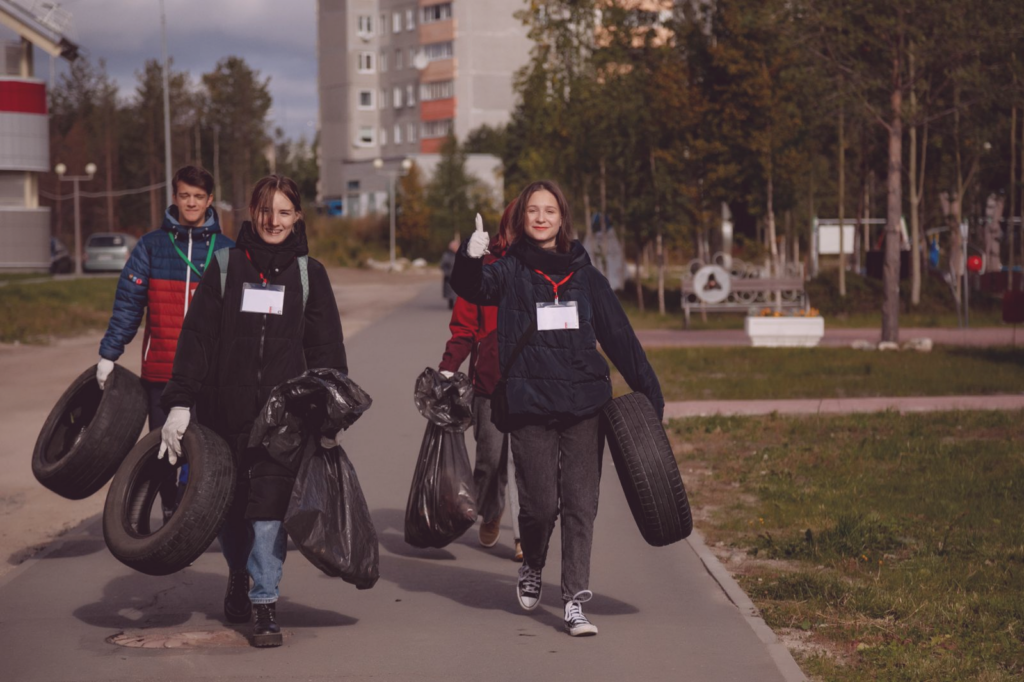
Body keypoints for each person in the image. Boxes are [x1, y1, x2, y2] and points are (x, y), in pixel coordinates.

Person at [451, 180, 663, 637]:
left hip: (584, 404)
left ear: (563, 218)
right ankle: (534, 565)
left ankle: (574, 600)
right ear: (521, 219)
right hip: (529, 406)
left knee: (581, 505)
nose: (542, 217)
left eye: (550, 210)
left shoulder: (586, 277)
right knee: (541, 506)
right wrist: (470, 256)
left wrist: (650, 396)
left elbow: (621, 339)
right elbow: (471, 288)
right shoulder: (508, 272)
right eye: (533, 210)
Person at [159, 175, 348, 648]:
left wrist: (328, 417)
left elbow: (327, 353)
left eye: (284, 212)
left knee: (268, 514)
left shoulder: (310, 275)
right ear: (251, 212)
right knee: (231, 514)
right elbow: (197, 340)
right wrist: (180, 402)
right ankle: (238, 573)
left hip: (284, 423)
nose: (274, 221)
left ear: (298, 217)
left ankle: (265, 603)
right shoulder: (225, 267)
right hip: (224, 416)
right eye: (266, 211)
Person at [96, 165, 232, 519]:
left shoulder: (228, 250)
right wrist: (110, 353)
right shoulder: (151, 246)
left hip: (210, 375)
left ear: (210, 200)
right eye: (185, 195)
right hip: (161, 370)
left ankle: (187, 518)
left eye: (198, 197)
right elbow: (128, 303)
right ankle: (168, 505)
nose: (191, 203)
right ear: (174, 197)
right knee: (163, 449)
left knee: (201, 449)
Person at [438, 201, 522, 561]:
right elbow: (464, 327)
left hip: (534, 383)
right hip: (489, 384)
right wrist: (447, 367)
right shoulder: (485, 268)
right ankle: (491, 508)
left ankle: (525, 534)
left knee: (528, 462)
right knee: (490, 460)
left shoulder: (542, 270)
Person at [440, 238, 459, 309]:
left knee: (458, 292)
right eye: (455, 246)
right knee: (450, 291)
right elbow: (442, 265)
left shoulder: (460, 254)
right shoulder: (447, 255)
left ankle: (457, 304)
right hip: (449, 276)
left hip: (458, 276)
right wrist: (447, 273)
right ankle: (451, 303)